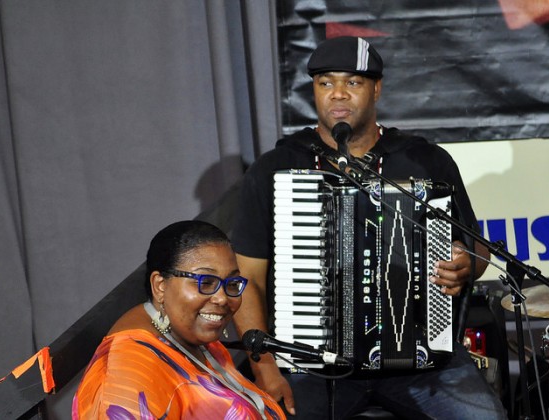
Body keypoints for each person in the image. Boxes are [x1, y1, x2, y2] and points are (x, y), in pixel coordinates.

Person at [231, 36, 507, 419]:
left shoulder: (425, 160)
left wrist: (466, 264)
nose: (338, 95)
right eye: (326, 83)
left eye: (353, 82)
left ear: (376, 89)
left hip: (421, 360)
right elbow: (247, 279)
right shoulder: (276, 167)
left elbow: (476, 250)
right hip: (311, 365)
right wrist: (264, 369)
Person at [72, 220, 286, 419]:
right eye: (206, 281)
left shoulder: (192, 336)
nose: (222, 298)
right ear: (160, 285)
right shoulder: (129, 366)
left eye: (231, 283)